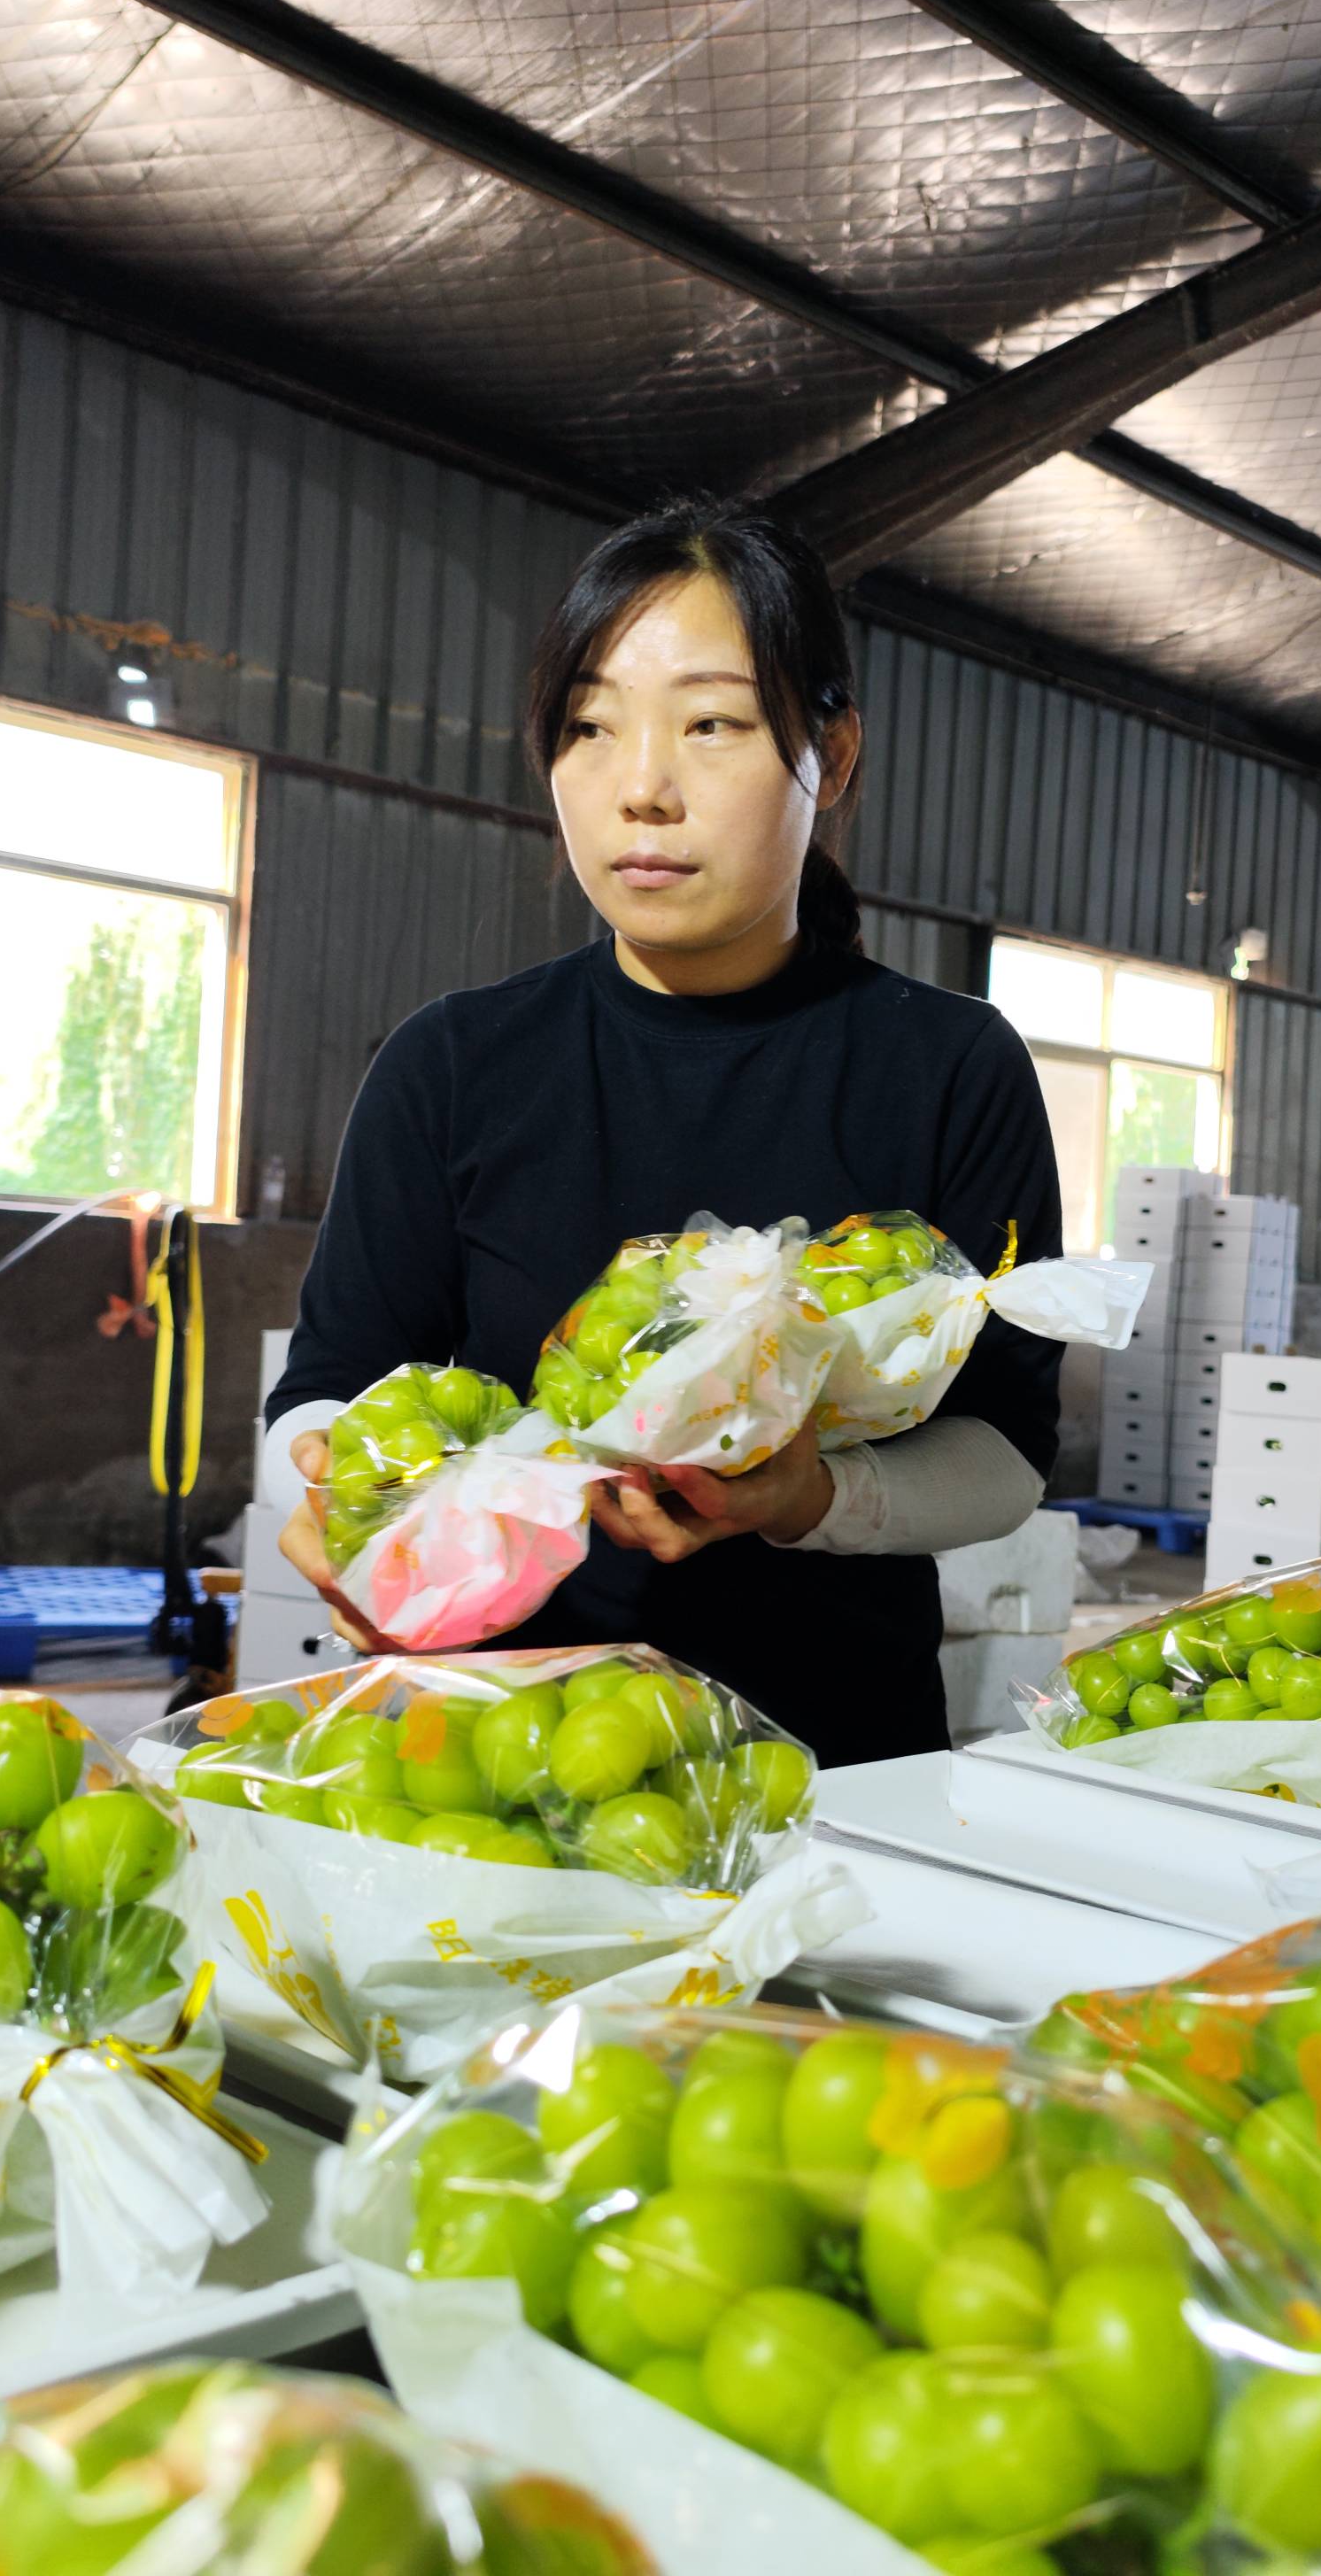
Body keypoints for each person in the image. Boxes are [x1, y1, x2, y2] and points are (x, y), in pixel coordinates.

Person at [260, 498, 1063, 1765]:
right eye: (591, 726)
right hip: (499, 1764)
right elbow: (325, 1389)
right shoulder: (455, 1064)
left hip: (838, 1770)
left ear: (831, 753)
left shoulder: (950, 1065)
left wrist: (816, 1500)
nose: (641, 788)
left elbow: (1009, 1451)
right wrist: (326, 1490)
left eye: (713, 725)